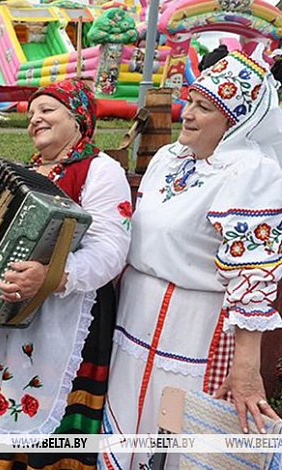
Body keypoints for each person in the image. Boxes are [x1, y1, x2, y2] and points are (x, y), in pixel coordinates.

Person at [100, 47, 282, 469]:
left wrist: (247, 369)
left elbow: (252, 276)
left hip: (192, 326)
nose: (188, 114)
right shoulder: (169, 159)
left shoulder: (250, 173)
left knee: (180, 435)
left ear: (234, 123)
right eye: (191, 102)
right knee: (131, 419)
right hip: (135, 318)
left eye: (205, 107)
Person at [0, 79, 132, 470]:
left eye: (48, 109)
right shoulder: (20, 173)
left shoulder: (101, 171)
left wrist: (52, 277)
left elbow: (111, 251)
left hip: (64, 316)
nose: (36, 118)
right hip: (6, 320)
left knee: (46, 416)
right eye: (32, 113)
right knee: (1, 407)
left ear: (79, 118)